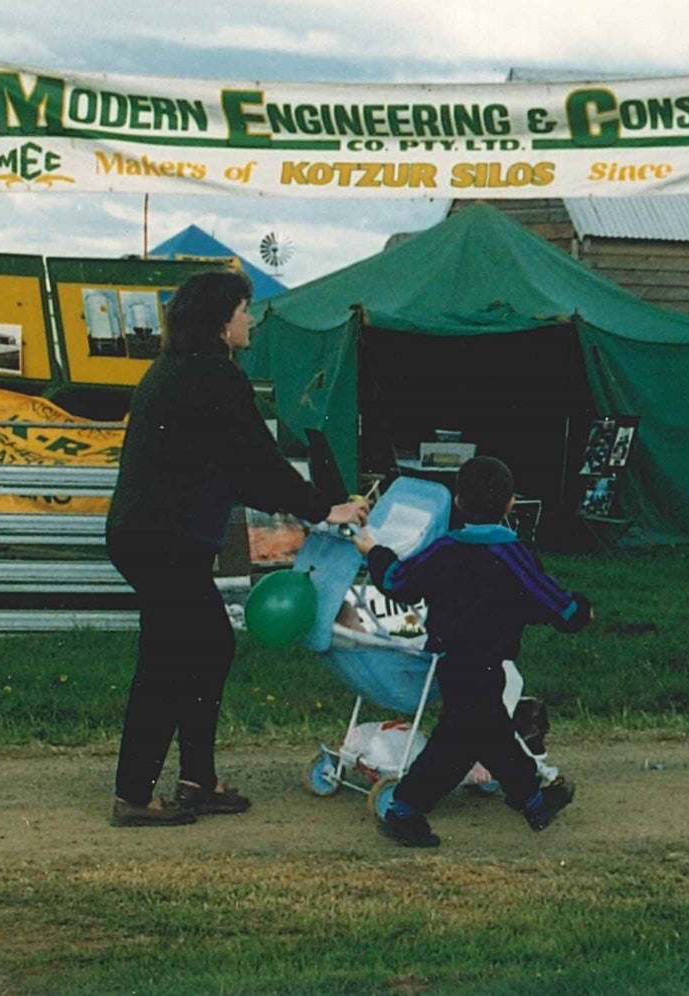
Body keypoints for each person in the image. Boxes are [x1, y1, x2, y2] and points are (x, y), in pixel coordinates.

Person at [103, 271, 368, 827]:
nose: (250, 320)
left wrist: (311, 503)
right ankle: (134, 795)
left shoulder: (177, 370)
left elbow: (244, 474)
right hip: (165, 539)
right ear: (222, 321)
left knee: (207, 646)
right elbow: (259, 463)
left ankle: (197, 780)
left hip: (150, 534)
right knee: (172, 659)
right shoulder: (213, 377)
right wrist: (326, 509)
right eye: (244, 311)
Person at [361, 455, 593, 847]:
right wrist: (580, 610)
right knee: (460, 740)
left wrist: (373, 550)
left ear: (457, 502)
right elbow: (550, 601)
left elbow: (398, 581)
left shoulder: (443, 550)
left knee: (487, 733)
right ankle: (404, 809)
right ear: (510, 504)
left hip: (454, 663)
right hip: (488, 661)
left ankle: (533, 800)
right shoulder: (514, 553)